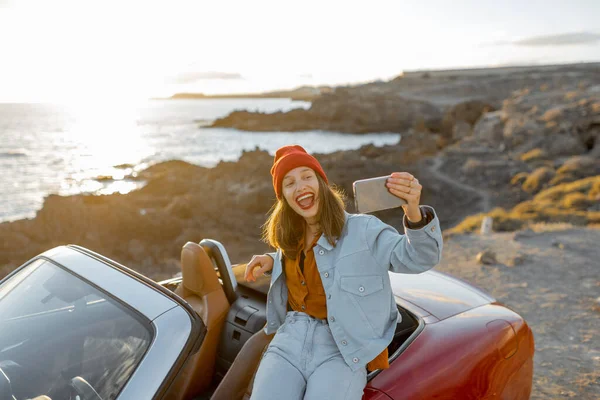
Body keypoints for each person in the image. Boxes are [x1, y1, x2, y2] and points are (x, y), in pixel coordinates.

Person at [244, 145, 443, 400]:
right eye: (289, 183)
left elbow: (419, 258)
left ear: (321, 183)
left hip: (342, 349)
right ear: (283, 197)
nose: (300, 186)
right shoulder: (290, 237)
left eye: (307, 176)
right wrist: (273, 260)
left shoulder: (364, 230)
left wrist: (413, 211)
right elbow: (312, 262)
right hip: (289, 338)